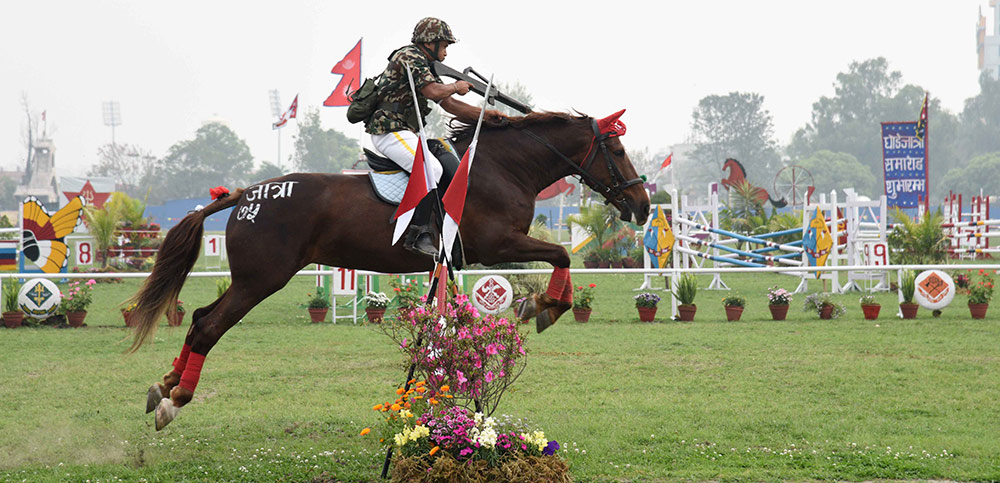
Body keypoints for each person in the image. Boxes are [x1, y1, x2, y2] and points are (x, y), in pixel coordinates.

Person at [366, 17, 504, 257]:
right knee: (432, 170)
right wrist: (456, 85)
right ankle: (419, 234)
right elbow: (434, 91)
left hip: (403, 132)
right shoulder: (410, 57)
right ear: (430, 43)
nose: (446, 53)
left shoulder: (425, 64)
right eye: (445, 46)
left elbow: (448, 104)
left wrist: (485, 115)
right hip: (388, 131)